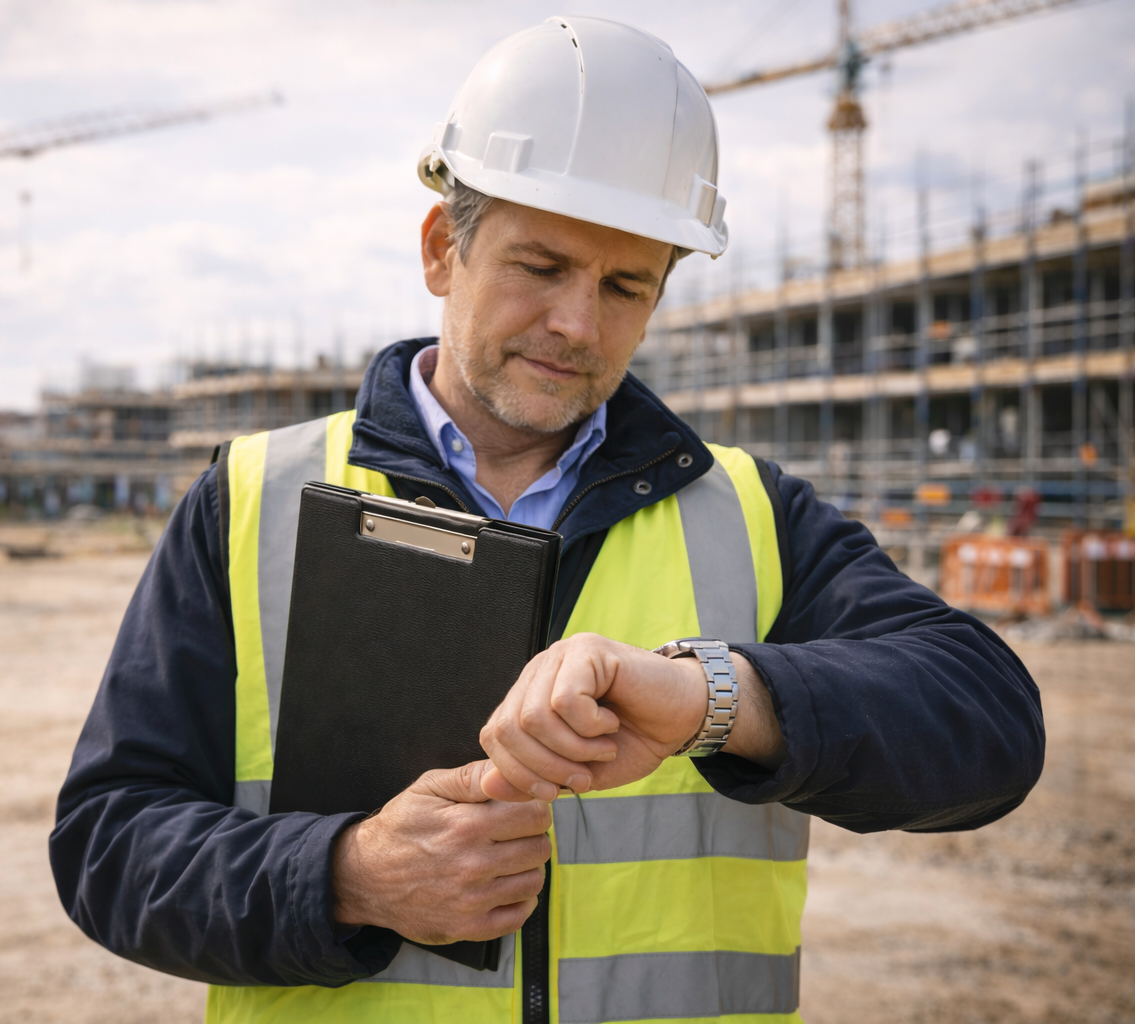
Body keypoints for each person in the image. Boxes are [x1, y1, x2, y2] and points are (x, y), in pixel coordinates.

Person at [50, 17, 1043, 1024]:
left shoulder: (749, 513)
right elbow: (108, 843)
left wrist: (716, 696)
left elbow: (990, 722)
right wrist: (348, 874)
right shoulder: (253, 498)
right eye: (541, 265)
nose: (577, 322)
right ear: (442, 249)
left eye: (625, 285)